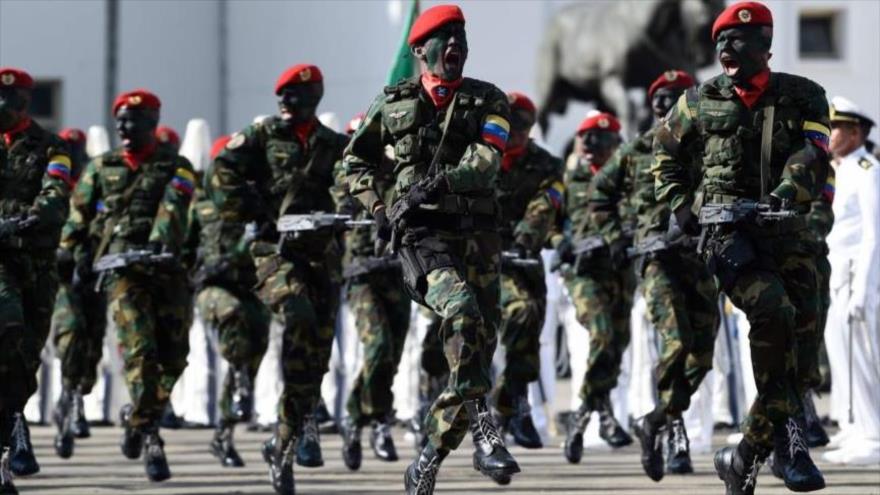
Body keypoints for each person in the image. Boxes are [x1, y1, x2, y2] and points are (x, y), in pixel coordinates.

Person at [343, 5, 519, 493]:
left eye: (461, 35)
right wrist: (379, 210)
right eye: (444, 38)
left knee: (475, 351)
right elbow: (352, 164)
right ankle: (487, 433)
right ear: (420, 51)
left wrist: (437, 184)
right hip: (423, 238)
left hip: (478, 240)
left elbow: (486, 160)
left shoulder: (490, 100)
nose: (455, 44)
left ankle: (427, 459)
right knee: (461, 313)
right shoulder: (392, 102)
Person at [653, 2, 828, 492]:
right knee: (774, 315)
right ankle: (791, 445)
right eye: (721, 43)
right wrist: (680, 206)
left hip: (789, 236)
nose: (727, 50)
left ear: (765, 46)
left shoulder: (804, 96)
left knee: (803, 354)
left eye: (739, 42)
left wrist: (784, 194)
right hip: (729, 239)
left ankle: (746, 452)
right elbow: (662, 153)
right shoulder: (698, 100)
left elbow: (812, 153)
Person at [207, 64, 347, 495]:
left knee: (316, 357)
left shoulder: (334, 145)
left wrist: (356, 208)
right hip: (275, 254)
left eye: (294, 96)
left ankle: (283, 443)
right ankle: (300, 419)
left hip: (321, 259)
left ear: (314, 98)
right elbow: (222, 169)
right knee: (297, 314)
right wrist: (250, 207)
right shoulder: (263, 135)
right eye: (282, 96)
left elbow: (356, 181)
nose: (285, 103)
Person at [60, 89, 195, 482]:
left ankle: (136, 418)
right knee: (139, 350)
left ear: (152, 122)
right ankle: (152, 437)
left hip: (166, 270)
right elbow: (79, 215)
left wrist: (161, 237)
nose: (123, 126)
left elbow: (176, 204)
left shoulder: (178, 165)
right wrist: (68, 250)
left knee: (174, 356)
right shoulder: (102, 168)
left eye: (132, 120)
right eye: (119, 119)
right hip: (122, 272)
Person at [591, 70, 719, 480]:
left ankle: (659, 419)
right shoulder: (635, 151)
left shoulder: (709, 148)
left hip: (699, 257)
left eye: (676, 97)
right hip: (656, 259)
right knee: (675, 340)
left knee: (702, 354)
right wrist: (614, 237)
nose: (666, 104)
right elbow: (600, 193)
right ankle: (674, 435)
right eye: (660, 98)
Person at [0, 67, 72, 491]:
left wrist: (23, 221)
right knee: (7, 323)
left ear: (24, 103)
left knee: (26, 354)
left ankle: (13, 420)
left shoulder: (53, 147)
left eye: (11, 99)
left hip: (37, 264)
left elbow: (55, 195)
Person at [184, 135, 271, 467]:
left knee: (254, 352)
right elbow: (184, 245)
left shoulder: (256, 200)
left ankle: (224, 433)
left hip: (251, 285)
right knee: (233, 319)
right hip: (213, 288)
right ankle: (239, 386)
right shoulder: (200, 203)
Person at [336, 113, 412, 470]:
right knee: (377, 345)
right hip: (361, 275)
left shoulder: (397, 172)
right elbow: (337, 208)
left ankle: (359, 418)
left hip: (397, 274)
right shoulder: (343, 177)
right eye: (351, 138)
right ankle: (376, 420)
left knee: (390, 356)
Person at [561, 111, 634, 464]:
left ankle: (589, 412)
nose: (590, 145)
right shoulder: (566, 178)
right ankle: (596, 415)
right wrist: (559, 240)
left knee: (615, 349)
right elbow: (547, 220)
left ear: (615, 143)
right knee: (602, 335)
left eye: (598, 139)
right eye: (585, 138)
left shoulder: (630, 176)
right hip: (584, 275)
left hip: (620, 273)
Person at [492, 91, 564, 449]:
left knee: (526, 326)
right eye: (510, 126)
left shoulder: (547, 166)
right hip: (482, 264)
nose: (515, 134)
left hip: (523, 264)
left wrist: (544, 237)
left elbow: (550, 209)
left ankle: (510, 405)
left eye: (522, 127)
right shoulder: (479, 159)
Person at [821, 96, 879, 466]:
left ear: (855, 131)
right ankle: (857, 428)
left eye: (836, 127)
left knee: (862, 358)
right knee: (843, 358)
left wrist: (864, 289)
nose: (830, 134)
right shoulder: (840, 169)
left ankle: (873, 435)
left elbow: (874, 235)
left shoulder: (867, 169)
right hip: (836, 278)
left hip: (858, 280)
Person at [52, 127, 109, 459]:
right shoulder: (50, 182)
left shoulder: (96, 183)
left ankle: (74, 394)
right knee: (71, 332)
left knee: (93, 343)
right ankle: (71, 402)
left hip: (92, 273)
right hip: (59, 276)